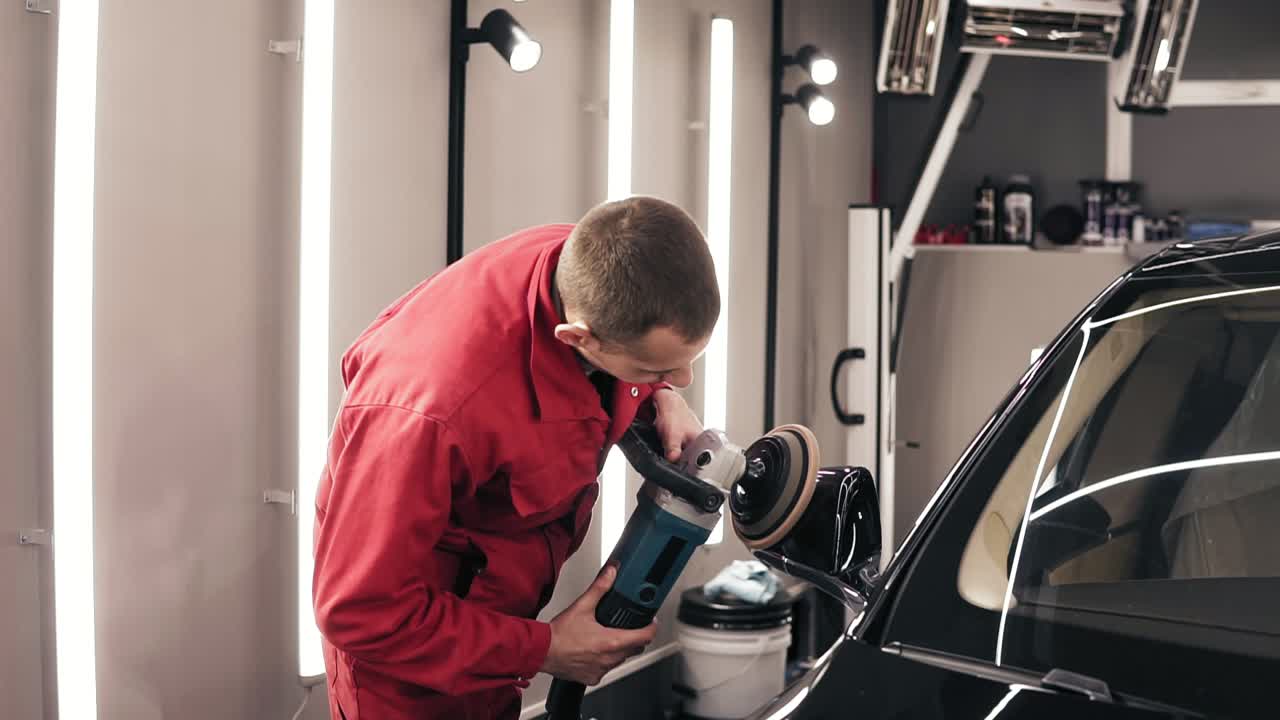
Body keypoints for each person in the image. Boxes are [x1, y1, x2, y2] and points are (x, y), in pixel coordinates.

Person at [312, 196, 721, 720]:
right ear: (577, 338)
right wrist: (547, 649)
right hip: (408, 681)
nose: (684, 381)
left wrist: (656, 389)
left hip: (494, 638)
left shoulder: (594, 260)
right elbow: (359, 610)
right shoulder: (428, 410)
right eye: (654, 367)